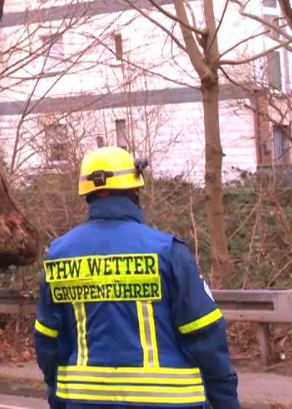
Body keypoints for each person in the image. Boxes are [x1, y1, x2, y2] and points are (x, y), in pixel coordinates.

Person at [33, 146, 240, 409]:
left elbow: (47, 340)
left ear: (87, 195)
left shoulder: (58, 255)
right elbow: (206, 335)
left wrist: (57, 395)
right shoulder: (168, 252)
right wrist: (226, 402)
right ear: (135, 190)